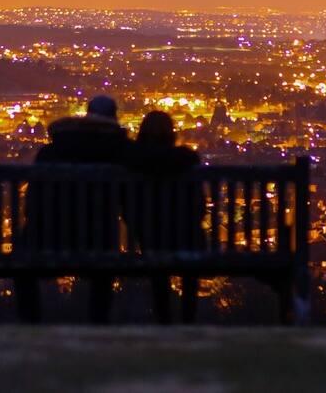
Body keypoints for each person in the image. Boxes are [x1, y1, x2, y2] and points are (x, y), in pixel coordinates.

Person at [16, 95, 131, 324]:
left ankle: (31, 325)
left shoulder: (51, 151)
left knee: (22, 264)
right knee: (104, 266)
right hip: (97, 244)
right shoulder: (119, 155)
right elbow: (129, 203)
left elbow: (31, 203)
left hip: (46, 241)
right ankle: (99, 325)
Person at [123, 111, 204, 324]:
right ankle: (188, 318)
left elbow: (127, 208)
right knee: (190, 265)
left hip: (150, 237)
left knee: (158, 267)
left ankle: (163, 318)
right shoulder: (187, 159)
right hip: (186, 237)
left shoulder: (132, 161)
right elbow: (199, 207)